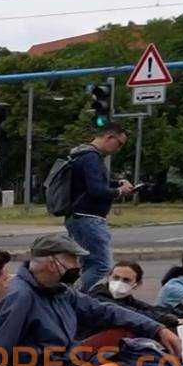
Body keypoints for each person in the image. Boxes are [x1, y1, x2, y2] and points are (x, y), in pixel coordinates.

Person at [0, 233, 179, 366]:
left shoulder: (61, 291)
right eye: (72, 260)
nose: (78, 267)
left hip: (68, 363)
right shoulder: (19, 296)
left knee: (130, 340)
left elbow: (104, 311)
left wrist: (158, 328)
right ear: (52, 264)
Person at [59, 124, 134, 292]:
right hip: (88, 218)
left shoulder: (81, 155)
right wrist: (119, 191)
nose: (119, 149)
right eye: (119, 144)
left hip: (79, 217)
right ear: (109, 137)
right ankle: (70, 295)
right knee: (102, 265)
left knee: (88, 264)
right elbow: (96, 190)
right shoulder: (91, 157)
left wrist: (117, 183)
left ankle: (78, 299)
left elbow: (90, 183)